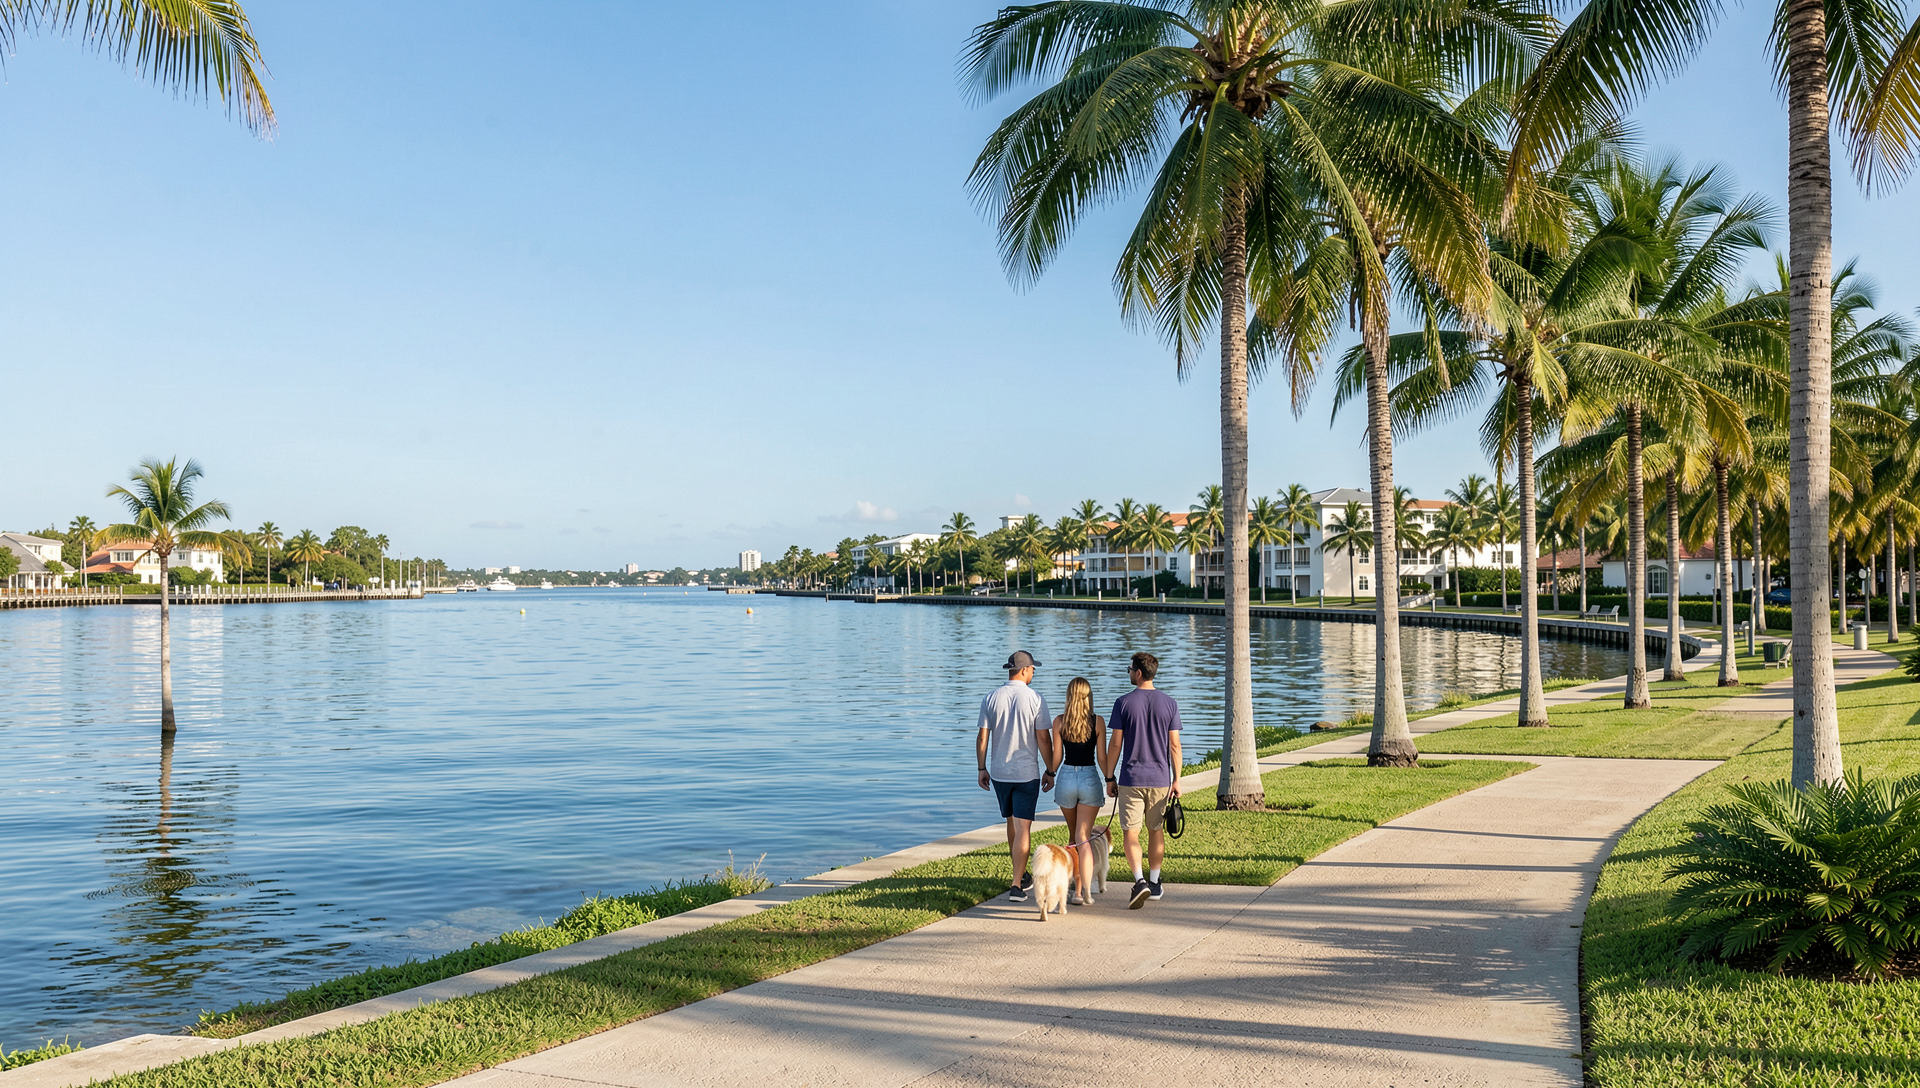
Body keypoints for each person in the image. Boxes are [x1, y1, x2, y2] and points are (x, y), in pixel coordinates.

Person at [1103, 650, 1181, 908]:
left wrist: (1109, 775)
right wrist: (1177, 780)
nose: (1129, 673)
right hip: (1160, 779)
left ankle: (1140, 881)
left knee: (1131, 833)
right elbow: (1175, 746)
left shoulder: (1123, 702)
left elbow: (1115, 744)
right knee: (1155, 830)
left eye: (1129, 669)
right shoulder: (1170, 703)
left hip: (1131, 779)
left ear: (1138, 673)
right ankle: (1155, 883)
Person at [977, 649, 1054, 903]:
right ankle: (1016, 886)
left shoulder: (990, 697)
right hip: (1025, 773)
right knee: (1023, 827)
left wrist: (981, 768)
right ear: (1023, 670)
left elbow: (982, 737)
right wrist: (1050, 768)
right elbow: (1043, 737)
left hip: (999, 773)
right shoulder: (1035, 698)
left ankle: (1019, 876)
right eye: (1033, 669)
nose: (1033, 673)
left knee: (1012, 823)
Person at [1048, 676, 1109, 905]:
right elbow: (1102, 758)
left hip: (1065, 779)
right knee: (1084, 839)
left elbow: (1057, 757)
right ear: (1088, 696)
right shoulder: (1098, 722)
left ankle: (1071, 889)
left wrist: (1049, 774)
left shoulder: (1060, 722)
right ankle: (1081, 893)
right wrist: (1110, 778)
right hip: (1089, 778)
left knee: (1073, 837)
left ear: (1069, 696)